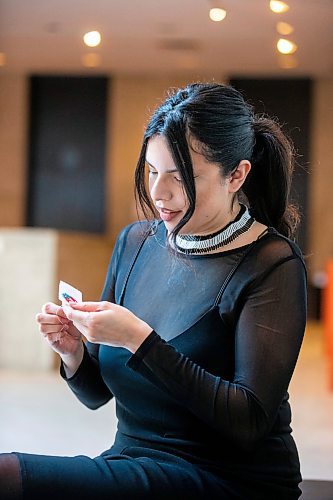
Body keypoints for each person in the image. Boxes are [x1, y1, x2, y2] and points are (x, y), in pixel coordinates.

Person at [0, 82, 307, 499]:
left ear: (237, 174)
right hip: (132, 464)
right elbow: (95, 395)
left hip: (230, 479)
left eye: (180, 178)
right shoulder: (135, 243)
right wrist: (72, 352)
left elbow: (248, 421)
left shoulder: (272, 263)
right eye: (152, 170)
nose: (159, 193)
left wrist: (138, 339)